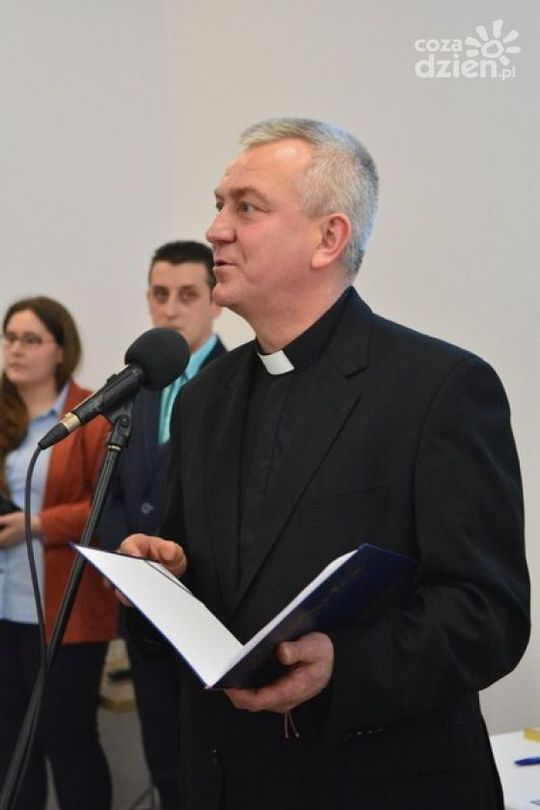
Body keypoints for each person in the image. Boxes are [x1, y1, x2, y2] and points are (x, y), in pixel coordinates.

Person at [121, 118, 530, 810]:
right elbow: (211, 578)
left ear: (328, 238)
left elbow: (487, 614)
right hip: (226, 779)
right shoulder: (205, 399)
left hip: (374, 783)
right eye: (218, 205)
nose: (216, 229)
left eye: (246, 207)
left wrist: (343, 662)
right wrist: (164, 577)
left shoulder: (438, 389)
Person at [100, 240, 225, 809]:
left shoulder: (238, 381)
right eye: (160, 294)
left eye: (188, 295)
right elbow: (114, 492)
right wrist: (120, 564)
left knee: (210, 764)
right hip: (143, 608)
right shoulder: (135, 384)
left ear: (216, 300)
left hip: (210, 606)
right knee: (163, 759)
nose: (171, 309)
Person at [0, 295, 117, 809]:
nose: (15, 349)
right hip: (4, 610)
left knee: (67, 740)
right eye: (9, 337)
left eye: (30, 339)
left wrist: (38, 524)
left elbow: (108, 503)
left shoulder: (90, 415)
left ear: (61, 350)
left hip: (65, 613)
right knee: (10, 747)